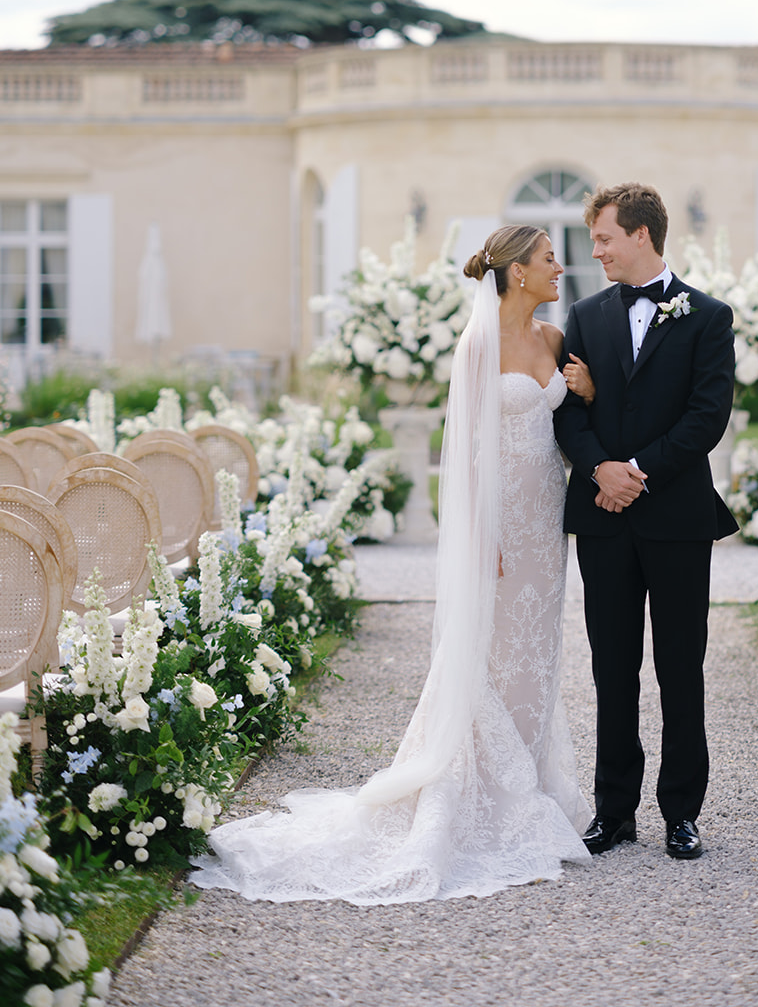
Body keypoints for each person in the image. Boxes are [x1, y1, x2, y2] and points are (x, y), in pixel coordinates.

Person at [191, 224, 593, 905]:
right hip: (497, 528)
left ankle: (534, 783)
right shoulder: (477, 346)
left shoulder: (556, 342)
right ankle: (486, 796)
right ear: (518, 272)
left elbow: (571, 427)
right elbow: (463, 453)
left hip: (547, 526)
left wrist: (582, 390)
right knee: (489, 655)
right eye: (550, 259)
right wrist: (476, 537)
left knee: (538, 650)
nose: (563, 268)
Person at [554, 182, 737, 862]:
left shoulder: (708, 317)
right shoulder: (585, 315)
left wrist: (638, 471)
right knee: (611, 668)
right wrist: (601, 468)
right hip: (603, 519)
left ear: (641, 234)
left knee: (681, 667)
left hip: (679, 518)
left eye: (603, 237)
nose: (595, 250)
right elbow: (567, 407)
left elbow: (705, 417)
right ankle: (613, 812)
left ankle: (682, 814)